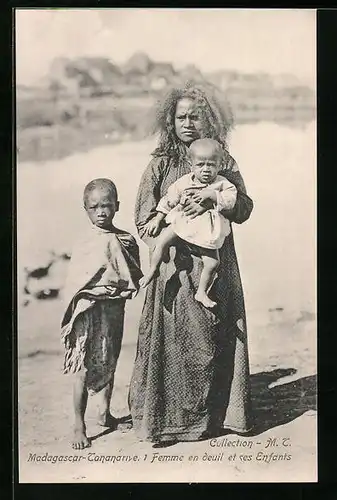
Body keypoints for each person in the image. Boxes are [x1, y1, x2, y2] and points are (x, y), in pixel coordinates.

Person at [129, 82, 254, 444]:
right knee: (172, 342)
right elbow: (143, 218)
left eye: (194, 116)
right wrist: (174, 229)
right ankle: (167, 422)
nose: (187, 123)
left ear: (208, 119)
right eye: (180, 117)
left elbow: (244, 208)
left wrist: (214, 201)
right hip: (174, 267)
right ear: (170, 120)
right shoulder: (160, 163)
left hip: (216, 262)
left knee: (213, 337)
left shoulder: (223, 161)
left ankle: (213, 420)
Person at [61, 178, 142, 449]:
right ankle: (78, 425)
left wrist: (120, 291)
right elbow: (76, 283)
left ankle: (105, 414)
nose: (101, 212)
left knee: (110, 359)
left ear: (117, 206)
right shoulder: (85, 242)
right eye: (94, 207)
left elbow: (133, 276)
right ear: (85, 209)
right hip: (88, 311)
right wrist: (92, 296)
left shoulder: (126, 239)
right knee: (84, 368)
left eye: (106, 206)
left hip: (114, 309)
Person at [140, 138, 237, 309]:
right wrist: (157, 219)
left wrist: (213, 196)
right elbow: (169, 200)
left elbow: (231, 201)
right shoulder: (184, 182)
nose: (206, 169)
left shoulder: (222, 184)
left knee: (213, 263)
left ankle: (201, 292)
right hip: (183, 222)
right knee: (162, 241)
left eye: (211, 165)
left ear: (219, 165)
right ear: (191, 165)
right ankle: (153, 269)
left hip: (206, 229)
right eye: (200, 165)